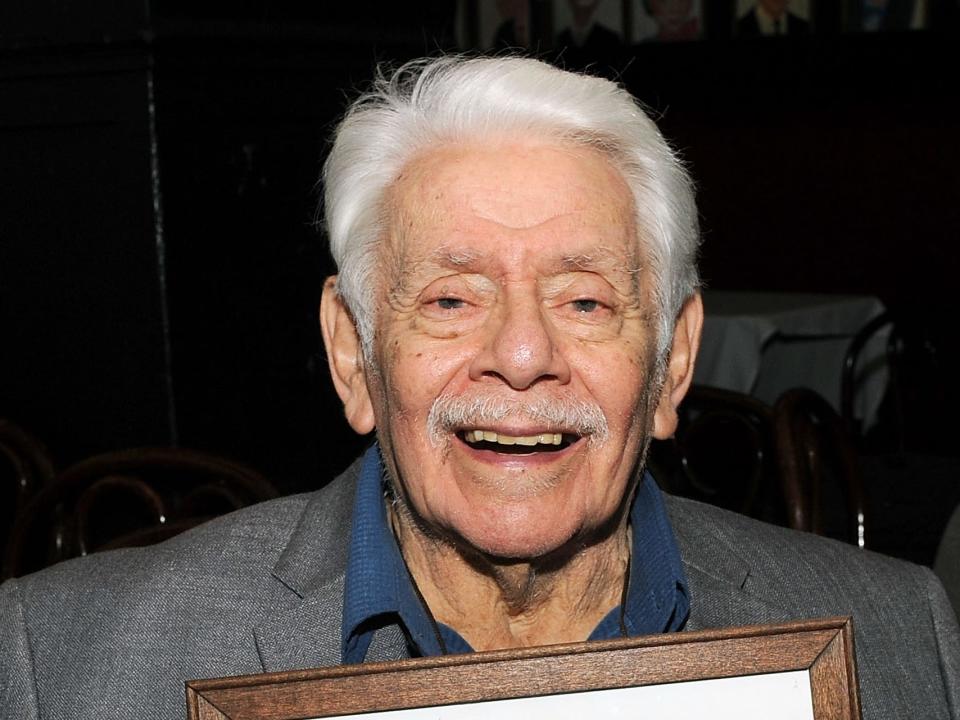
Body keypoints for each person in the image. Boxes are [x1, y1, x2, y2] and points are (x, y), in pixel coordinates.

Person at [1, 55, 957, 720]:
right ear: (353, 352)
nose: (523, 354)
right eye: (453, 299)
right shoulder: (69, 661)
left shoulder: (900, 635)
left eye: (584, 302)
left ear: (671, 361)